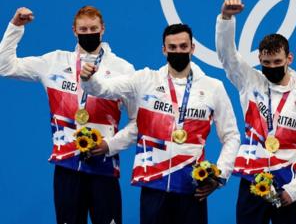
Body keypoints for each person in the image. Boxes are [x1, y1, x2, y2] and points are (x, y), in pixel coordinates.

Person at [80, 23, 240, 224]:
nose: (178, 51)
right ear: (164, 49)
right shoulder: (144, 80)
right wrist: (88, 79)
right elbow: (103, 89)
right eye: (172, 47)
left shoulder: (213, 87)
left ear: (193, 48)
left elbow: (232, 136)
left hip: (192, 188)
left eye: (183, 46)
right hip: (153, 186)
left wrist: (219, 175)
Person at [0, 6, 137, 224]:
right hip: (67, 168)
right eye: (83, 29)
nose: (89, 32)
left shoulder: (123, 69)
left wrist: (110, 145)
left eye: (93, 28)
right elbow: (4, 66)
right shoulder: (54, 62)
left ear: (103, 29)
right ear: (74, 30)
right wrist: (16, 27)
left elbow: (137, 120)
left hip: (104, 167)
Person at [215, 0, 296, 224]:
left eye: (278, 61)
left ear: (290, 58)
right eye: (266, 62)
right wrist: (226, 19)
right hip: (252, 183)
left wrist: (295, 190)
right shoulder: (250, 82)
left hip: (286, 186)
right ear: (259, 59)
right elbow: (227, 56)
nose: (272, 67)